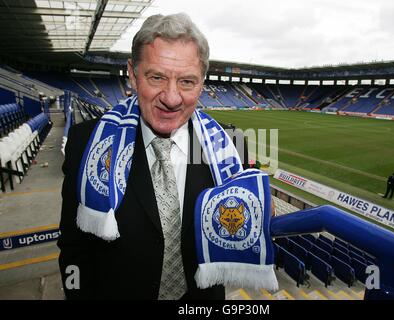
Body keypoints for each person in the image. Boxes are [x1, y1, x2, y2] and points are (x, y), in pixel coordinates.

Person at [58, 13, 250, 300]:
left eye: (187, 81)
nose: (172, 98)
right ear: (133, 75)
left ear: (202, 82)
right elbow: (74, 246)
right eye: (157, 77)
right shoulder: (87, 143)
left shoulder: (230, 145)